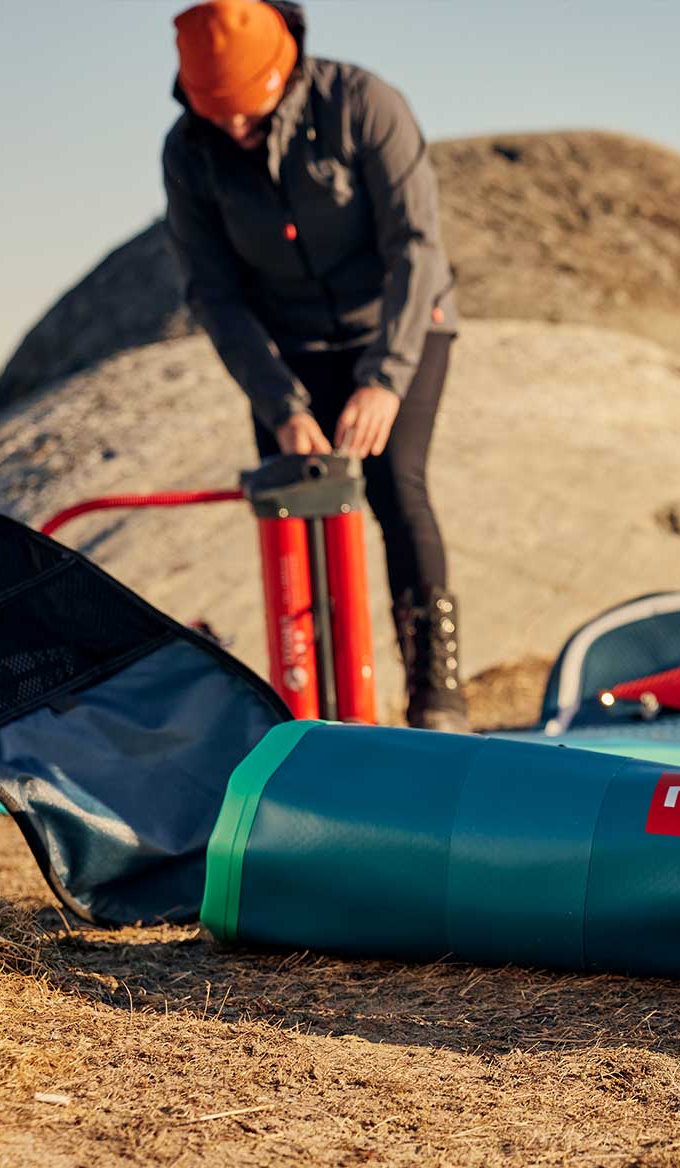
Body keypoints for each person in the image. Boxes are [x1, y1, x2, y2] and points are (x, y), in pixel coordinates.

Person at [163, 0, 467, 731]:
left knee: (396, 485)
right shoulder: (188, 152)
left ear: (285, 64)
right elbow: (215, 293)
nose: (235, 128)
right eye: (218, 114)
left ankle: (437, 700)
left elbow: (416, 248)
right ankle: (321, 714)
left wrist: (385, 378)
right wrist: (283, 406)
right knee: (298, 514)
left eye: (249, 111)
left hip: (396, 327)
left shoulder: (364, 105)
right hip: (288, 350)